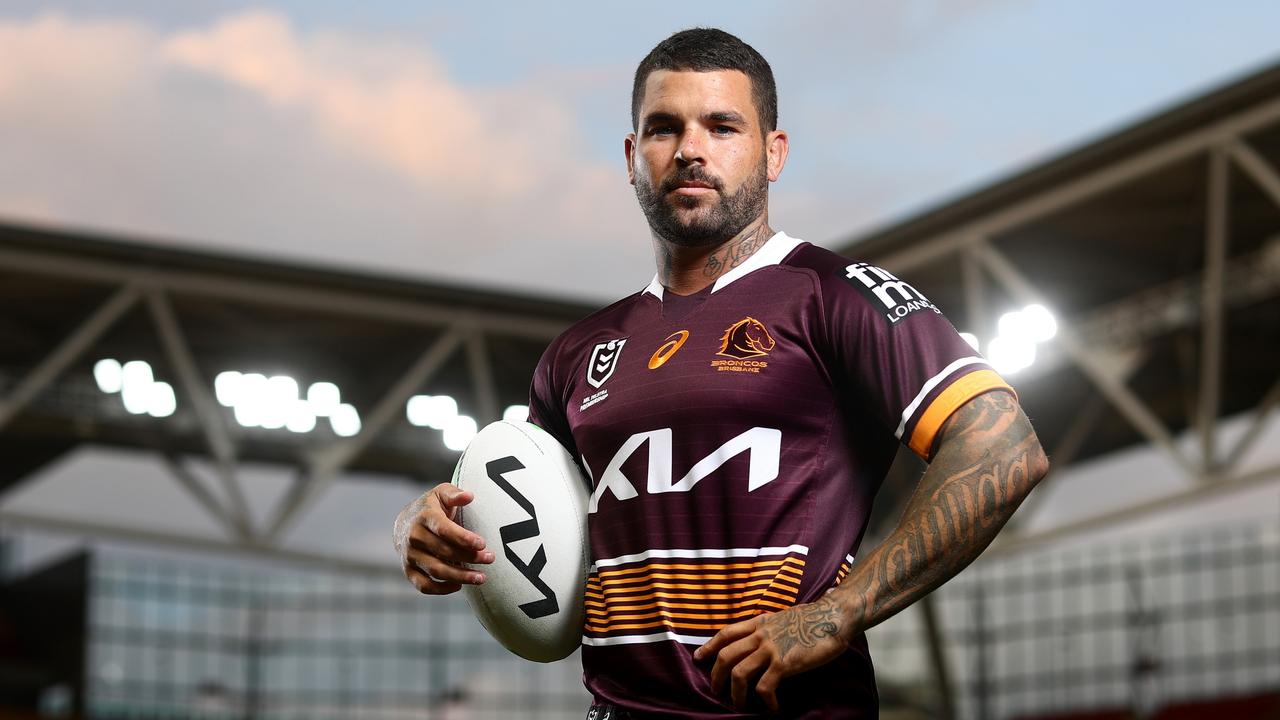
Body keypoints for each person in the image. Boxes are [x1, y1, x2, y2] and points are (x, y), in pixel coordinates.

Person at [394, 27, 1049, 718]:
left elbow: (1004, 444)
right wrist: (426, 523)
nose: (690, 150)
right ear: (631, 155)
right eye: (662, 128)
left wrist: (839, 612)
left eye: (723, 126)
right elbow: (528, 513)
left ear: (773, 153)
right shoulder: (577, 352)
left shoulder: (834, 293)